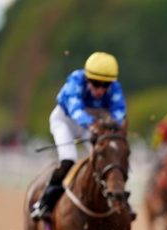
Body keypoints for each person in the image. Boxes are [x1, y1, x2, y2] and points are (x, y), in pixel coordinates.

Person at [30, 51, 128, 221]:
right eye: (96, 83)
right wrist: (94, 124)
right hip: (65, 122)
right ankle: (45, 202)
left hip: (92, 126)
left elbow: (119, 112)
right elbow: (75, 110)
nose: (100, 89)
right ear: (87, 78)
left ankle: (120, 200)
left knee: (109, 158)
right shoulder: (76, 80)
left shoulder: (115, 88)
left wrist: (114, 123)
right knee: (69, 160)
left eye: (105, 85)